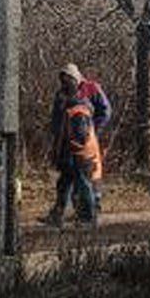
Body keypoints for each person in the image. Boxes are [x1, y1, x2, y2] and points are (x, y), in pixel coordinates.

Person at [44, 63, 111, 226]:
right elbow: (56, 120)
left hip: (84, 143)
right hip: (66, 144)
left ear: (74, 78)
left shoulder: (90, 91)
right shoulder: (62, 95)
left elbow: (106, 112)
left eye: (67, 79)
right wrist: (56, 144)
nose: (64, 83)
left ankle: (89, 215)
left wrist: (93, 130)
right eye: (62, 79)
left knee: (85, 180)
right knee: (65, 181)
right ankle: (60, 214)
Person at [46, 97, 104, 227]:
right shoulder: (74, 112)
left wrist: (71, 149)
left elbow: (80, 137)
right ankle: (59, 215)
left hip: (80, 156)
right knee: (64, 184)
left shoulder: (78, 112)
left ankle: (88, 218)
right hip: (73, 155)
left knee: (83, 185)